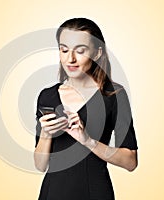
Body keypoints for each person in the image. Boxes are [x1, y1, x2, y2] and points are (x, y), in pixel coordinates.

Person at [33, 18, 138, 200]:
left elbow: (130, 162)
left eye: (80, 51)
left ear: (97, 53)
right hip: (53, 192)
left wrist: (87, 140)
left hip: (95, 192)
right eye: (64, 50)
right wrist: (45, 133)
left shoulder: (114, 96)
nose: (70, 58)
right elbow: (40, 165)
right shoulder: (47, 96)